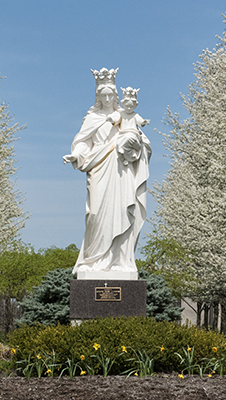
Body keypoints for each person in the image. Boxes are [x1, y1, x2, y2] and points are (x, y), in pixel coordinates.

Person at [63, 68, 151, 278]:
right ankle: (93, 261)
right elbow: (84, 142)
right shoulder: (92, 118)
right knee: (94, 213)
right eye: (103, 95)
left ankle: (119, 261)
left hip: (122, 172)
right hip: (99, 168)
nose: (108, 98)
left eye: (111, 94)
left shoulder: (124, 116)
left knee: (122, 211)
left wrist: (137, 145)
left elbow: (143, 141)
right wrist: (76, 154)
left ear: (116, 96)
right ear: (98, 96)